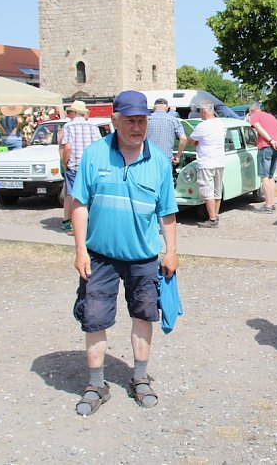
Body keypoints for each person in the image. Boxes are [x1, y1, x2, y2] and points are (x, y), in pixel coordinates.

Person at [70, 90, 179, 416]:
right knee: (94, 319)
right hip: (100, 255)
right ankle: (96, 384)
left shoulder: (158, 160)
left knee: (144, 315)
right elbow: (79, 204)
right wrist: (79, 250)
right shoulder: (94, 155)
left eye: (141, 120)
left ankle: (140, 378)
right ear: (114, 121)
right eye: (129, 120)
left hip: (144, 257)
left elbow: (167, 212)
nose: (136, 127)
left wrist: (171, 252)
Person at [60, 100, 102, 235]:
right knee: (90, 195)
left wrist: (64, 162)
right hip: (90, 165)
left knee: (75, 195)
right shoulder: (93, 127)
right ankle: (90, 223)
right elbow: (99, 146)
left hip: (75, 164)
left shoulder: (69, 127)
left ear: (74, 113)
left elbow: (67, 147)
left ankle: (75, 225)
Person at [187, 100, 225, 228]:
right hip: (219, 161)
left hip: (206, 161)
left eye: (200, 111)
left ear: (203, 111)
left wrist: (198, 142)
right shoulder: (220, 123)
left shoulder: (202, 126)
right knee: (217, 191)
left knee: (207, 191)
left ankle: (212, 219)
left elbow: (191, 141)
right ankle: (216, 215)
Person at [248, 103, 277, 213]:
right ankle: (272, 203)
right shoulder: (271, 116)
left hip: (265, 147)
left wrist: (270, 140)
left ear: (251, 111)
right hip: (276, 147)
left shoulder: (254, 115)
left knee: (264, 176)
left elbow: (258, 128)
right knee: (271, 176)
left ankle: (268, 205)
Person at [146, 97, 186, 167]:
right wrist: (178, 156)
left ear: (154, 107)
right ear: (167, 107)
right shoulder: (173, 120)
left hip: (149, 158)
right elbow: (183, 138)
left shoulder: (146, 119)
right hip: (166, 159)